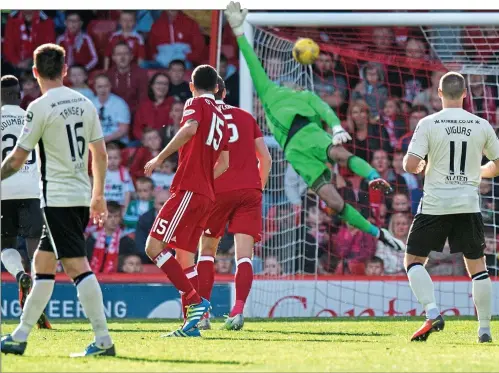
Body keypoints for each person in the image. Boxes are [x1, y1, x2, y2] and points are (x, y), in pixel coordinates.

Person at [224, 2, 404, 252]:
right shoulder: (269, 91)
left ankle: (374, 177)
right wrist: (238, 31)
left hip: (310, 133)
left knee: (339, 153)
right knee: (335, 203)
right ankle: (379, 233)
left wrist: (336, 127)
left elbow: (324, 109)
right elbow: (252, 61)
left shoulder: (307, 95)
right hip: (294, 152)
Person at [0, 44, 115, 356]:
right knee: (42, 263)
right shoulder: (85, 103)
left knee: (77, 266)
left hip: (57, 199)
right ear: (65, 70)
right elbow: (100, 154)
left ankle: (104, 340)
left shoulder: (39, 107)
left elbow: (16, 160)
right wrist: (99, 195)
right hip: (79, 194)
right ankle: (20, 336)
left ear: (35, 73)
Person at [402, 71, 499, 343]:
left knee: (414, 262)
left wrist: (423, 166)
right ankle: (484, 329)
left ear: (438, 93)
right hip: (467, 204)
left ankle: (432, 311)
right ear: (464, 94)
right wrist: (479, 172)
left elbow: (410, 165)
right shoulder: (481, 124)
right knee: (478, 268)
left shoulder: (428, 123)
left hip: (435, 205)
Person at [143, 64, 230, 338]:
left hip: (189, 189)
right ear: (217, 88)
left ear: (192, 86)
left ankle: (194, 302)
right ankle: (189, 326)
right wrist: (204, 179)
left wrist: (160, 157)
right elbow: (224, 163)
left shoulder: (195, 104)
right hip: (206, 193)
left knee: (153, 246)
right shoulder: (222, 116)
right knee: (184, 257)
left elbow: (190, 129)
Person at [196, 77, 272, 331]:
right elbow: (266, 158)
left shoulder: (204, 117)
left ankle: (203, 314)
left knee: (207, 250)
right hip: (249, 190)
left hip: (217, 190)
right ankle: (238, 311)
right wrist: (257, 188)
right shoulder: (245, 116)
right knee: (244, 257)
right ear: (224, 92)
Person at [0, 75, 51, 329]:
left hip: (3, 190)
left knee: (5, 245)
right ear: (19, 94)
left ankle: (20, 275)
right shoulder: (32, 117)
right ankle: (36, 301)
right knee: (35, 247)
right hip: (32, 190)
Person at [86, 201, 136, 273]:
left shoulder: (127, 240)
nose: (113, 220)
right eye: (109, 217)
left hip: (119, 280)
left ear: (120, 218)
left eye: (116, 216)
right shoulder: (92, 239)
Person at [92, 74, 131, 145]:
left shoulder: (120, 104)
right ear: (95, 87)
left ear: (110, 86)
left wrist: (105, 140)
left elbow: (123, 130)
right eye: (100, 87)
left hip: (116, 140)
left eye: (106, 86)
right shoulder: (90, 104)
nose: (103, 90)